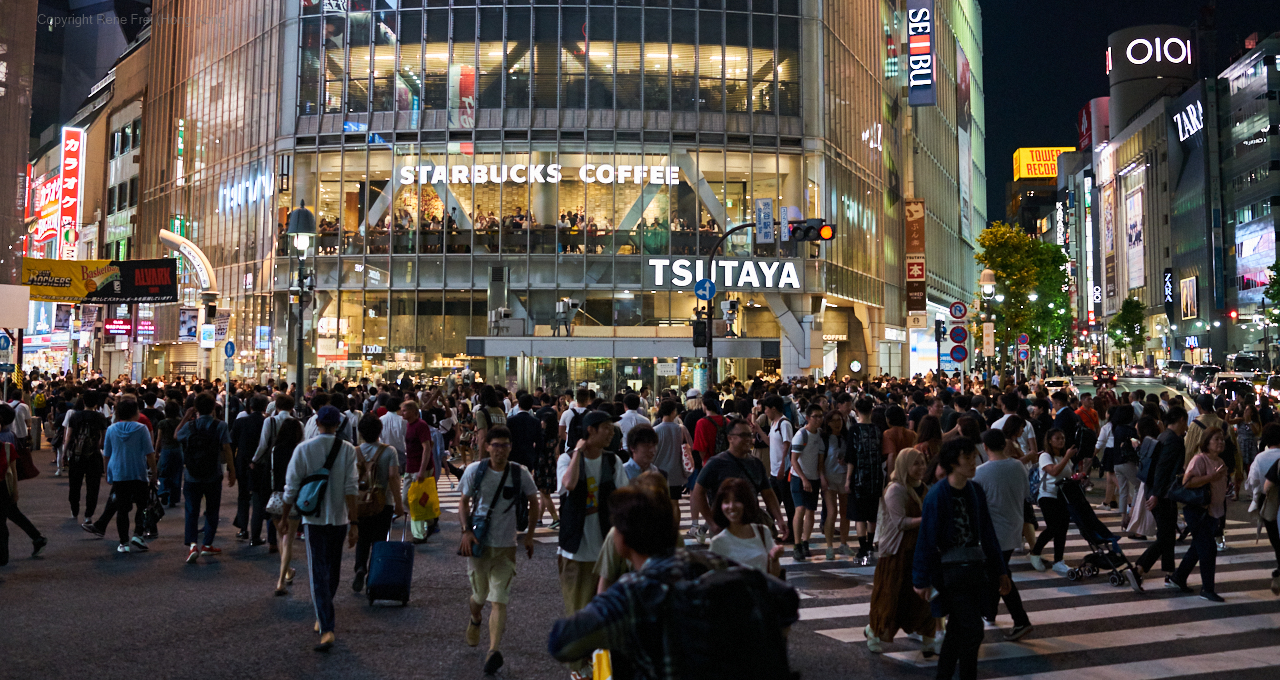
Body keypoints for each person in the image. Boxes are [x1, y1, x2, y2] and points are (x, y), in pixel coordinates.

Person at [548, 485, 800, 680]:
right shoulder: (715, 563)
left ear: (621, 542)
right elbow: (786, 599)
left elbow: (562, 642)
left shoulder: (633, 593)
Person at [912, 438, 1012, 680]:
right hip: (950, 573)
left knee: (958, 630)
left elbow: (987, 533)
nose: (973, 462)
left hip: (974, 569)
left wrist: (1001, 571)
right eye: (967, 458)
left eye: (973, 456)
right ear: (952, 462)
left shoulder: (975, 490)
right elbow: (926, 539)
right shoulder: (937, 495)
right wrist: (921, 579)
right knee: (973, 629)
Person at [458, 425, 540, 676]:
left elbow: (533, 501)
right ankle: (475, 618)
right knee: (480, 597)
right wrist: (465, 531)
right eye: (496, 445)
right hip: (479, 543)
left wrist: (529, 535)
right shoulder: (475, 470)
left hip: (507, 546)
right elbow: (463, 501)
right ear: (486, 446)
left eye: (505, 445)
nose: (500, 451)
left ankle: (493, 650)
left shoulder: (520, 473)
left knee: (499, 599)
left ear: (510, 448)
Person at [278, 405, 359, 652]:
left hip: (313, 520)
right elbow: (351, 488)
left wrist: (284, 516)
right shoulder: (347, 450)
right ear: (338, 425)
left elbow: (290, 488)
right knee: (333, 570)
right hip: (339, 518)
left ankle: (326, 627)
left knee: (317, 572)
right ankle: (324, 616)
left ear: (317, 423)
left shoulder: (303, 449)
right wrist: (354, 523)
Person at [555, 408, 629, 673]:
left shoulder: (613, 461)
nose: (612, 432)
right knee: (578, 613)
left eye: (612, 428)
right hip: (575, 550)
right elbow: (569, 484)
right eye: (606, 428)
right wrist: (577, 452)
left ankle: (598, 665)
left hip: (606, 550)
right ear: (590, 431)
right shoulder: (566, 459)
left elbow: (624, 498)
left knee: (606, 614)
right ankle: (577, 667)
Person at [866, 448, 936, 655]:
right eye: (916, 463)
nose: (921, 467)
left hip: (918, 550)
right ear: (904, 465)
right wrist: (928, 520)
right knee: (889, 596)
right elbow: (900, 522)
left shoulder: (923, 487)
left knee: (920, 599)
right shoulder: (896, 489)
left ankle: (929, 640)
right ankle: (874, 631)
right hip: (897, 552)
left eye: (923, 462)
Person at [973, 429, 1035, 638]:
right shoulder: (1018, 466)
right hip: (1014, 527)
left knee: (999, 574)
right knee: (996, 572)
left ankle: (1020, 619)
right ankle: (989, 613)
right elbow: (1027, 494)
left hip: (993, 532)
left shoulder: (979, 473)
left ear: (986, 447)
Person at [691, 417, 790, 544]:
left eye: (750, 435)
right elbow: (698, 492)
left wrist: (780, 519)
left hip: (751, 525)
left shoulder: (756, 464)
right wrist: (712, 523)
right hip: (724, 526)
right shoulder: (716, 463)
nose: (748, 439)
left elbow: (768, 493)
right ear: (730, 438)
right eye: (743, 435)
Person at [84, 398, 155, 552]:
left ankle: (124, 542)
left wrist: (107, 473)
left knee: (122, 510)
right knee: (142, 506)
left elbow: (107, 455)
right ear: (135, 412)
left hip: (119, 472)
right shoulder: (141, 429)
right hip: (139, 472)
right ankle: (138, 534)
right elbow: (150, 453)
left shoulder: (111, 429)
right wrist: (154, 474)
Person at [1168, 427, 1230, 601]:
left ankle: (1178, 577)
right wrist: (1211, 477)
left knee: (1198, 547)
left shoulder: (1219, 461)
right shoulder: (1199, 459)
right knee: (1208, 549)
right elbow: (1187, 482)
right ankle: (1207, 589)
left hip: (1212, 511)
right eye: (1216, 439)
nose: (1220, 442)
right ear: (1207, 442)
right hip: (1197, 511)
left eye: (1222, 439)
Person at [176, 393, 236, 564]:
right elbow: (227, 449)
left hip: (191, 475)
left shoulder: (190, 426)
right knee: (212, 510)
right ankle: (207, 544)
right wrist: (232, 471)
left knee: (191, 510)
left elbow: (176, 436)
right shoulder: (220, 426)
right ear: (213, 408)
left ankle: (193, 545)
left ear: (196, 408)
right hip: (213, 474)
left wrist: (186, 417)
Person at [351, 414, 405, 593]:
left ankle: (360, 567)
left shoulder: (355, 451)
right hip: (384, 501)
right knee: (379, 540)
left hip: (360, 502)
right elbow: (393, 477)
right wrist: (398, 502)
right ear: (379, 431)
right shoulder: (389, 451)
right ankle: (374, 576)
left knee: (362, 538)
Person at [1135, 407, 1189, 583]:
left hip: (1156, 491)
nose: (1186, 425)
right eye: (1185, 421)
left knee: (1166, 535)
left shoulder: (1163, 436)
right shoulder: (1174, 440)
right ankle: (1139, 568)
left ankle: (1169, 572)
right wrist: (1157, 494)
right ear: (1181, 419)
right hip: (1163, 494)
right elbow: (1162, 469)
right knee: (1166, 537)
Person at [0, 404, 47, 563]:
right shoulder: (11, 435)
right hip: (6, 483)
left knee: (9, 516)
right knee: (12, 513)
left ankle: (4, 556)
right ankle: (37, 538)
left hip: (3, 482)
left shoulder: (4, 438)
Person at [708, 477, 783, 575]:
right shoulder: (718, 543)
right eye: (726, 502)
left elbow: (774, 575)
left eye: (736, 501)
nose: (731, 506)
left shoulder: (763, 532)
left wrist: (774, 559)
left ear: (746, 503)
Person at [1029, 428, 1075, 575]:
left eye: (1062, 438)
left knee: (1062, 528)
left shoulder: (1063, 456)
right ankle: (1035, 553)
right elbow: (1053, 471)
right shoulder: (1045, 456)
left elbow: (1067, 474)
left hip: (1063, 496)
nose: (1061, 441)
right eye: (1057, 438)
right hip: (1047, 495)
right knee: (1053, 527)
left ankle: (1058, 561)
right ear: (1049, 440)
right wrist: (1067, 457)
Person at [846, 397, 883, 563]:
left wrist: (848, 480)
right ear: (871, 411)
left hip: (859, 478)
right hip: (876, 478)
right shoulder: (878, 430)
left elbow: (851, 458)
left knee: (859, 515)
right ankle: (870, 543)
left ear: (857, 411)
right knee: (872, 514)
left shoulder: (854, 430)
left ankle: (862, 548)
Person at [789, 404, 827, 561]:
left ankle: (805, 541)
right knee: (800, 509)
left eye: (820, 416)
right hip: (799, 478)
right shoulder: (801, 435)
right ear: (807, 417)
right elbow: (793, 460)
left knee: (811, 511)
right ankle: (797, 545)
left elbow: (819, 460)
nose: (818, 419)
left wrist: (821, 477)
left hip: (814, 478)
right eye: (815, 416)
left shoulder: (819, 434)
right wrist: (804, 478)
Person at [67, 391, 110, 524]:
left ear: (83, 402)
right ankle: (88, 515)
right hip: (94, 455)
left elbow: (68, 436)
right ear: (96, 404)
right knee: (93, 486)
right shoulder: (100, 417)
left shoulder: (75, 416)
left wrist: (64, 453)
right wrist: (99, 446)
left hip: (77, 455)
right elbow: (104, 438)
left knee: (74, 484)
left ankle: (74, 510)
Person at [231, 395, 268, 541]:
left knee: (243, 495)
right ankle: (256, 535)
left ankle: (242, 528)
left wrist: (231, 465)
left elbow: (232, 443)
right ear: (265, 407)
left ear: (250, 406)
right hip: (260, 464)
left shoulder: (240, 422)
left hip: (242, 462)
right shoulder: (267, 422)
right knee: (258, 498)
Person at [402, 400, 437, 542]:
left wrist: (422, 470)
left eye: (405, 410)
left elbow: (427, 448)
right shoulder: (409, 425)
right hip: (410, 466)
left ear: (413, 411)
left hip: (420, 467)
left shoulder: (421, 426)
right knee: (406, 498)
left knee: (416, 501)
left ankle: (419, 534)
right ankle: (430, 519)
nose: (402, 413)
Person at [154, 400, 184, 508]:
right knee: (177, 474)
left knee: (164, 472)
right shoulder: (180, 422)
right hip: (178, 449)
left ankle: (164, 489)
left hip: (166, 450)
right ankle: (173, 499)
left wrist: (156, 451)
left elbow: (159, 439)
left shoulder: (162, 423)